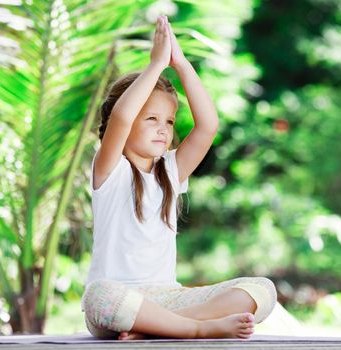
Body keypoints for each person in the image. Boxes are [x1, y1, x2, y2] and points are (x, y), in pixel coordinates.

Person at [81, 15, 277, 340]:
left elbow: (207, 127)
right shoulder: (110, 170)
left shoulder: (170, 172)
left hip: (168, 299)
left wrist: (181, 64)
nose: (163, 128)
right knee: (98, 296)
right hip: (119, 302)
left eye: (169, 122)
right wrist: (156, 65)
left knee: (260, 290)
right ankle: (195, 328)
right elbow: (122, 116)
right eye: (152, 118)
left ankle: (154, 329)